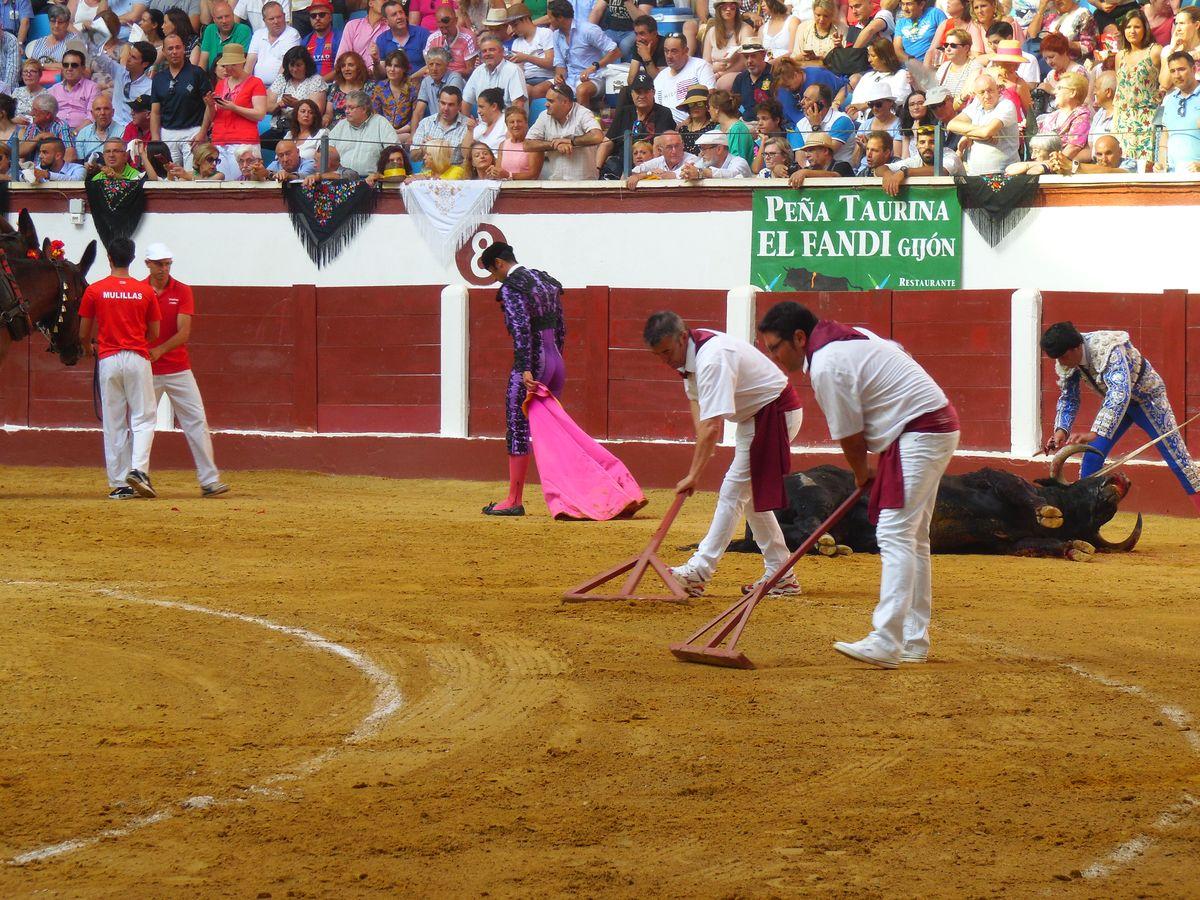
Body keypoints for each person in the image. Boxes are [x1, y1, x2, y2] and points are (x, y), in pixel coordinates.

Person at [757, 301, 959, 668]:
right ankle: (912, 641)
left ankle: (886, 640)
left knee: (896, 533)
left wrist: (860, 471)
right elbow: (899, 355)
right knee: (912, 537)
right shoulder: (853, 337)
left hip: (919, 432)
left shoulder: (827, 365)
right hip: (929, 426)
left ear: (799, 338)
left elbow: (851, 436)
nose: (774, 357)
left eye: (775, 347)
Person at [642, 310, 803, 598]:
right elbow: (698, 406)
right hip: (754, 417)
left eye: (667, 352)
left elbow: (712, 425)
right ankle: (782, 574)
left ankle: (700, 571)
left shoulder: (712, 357)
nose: (666, 361)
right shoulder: (688, 354)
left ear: (682, 337)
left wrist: (694, 474)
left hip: (774, 415)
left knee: (732, 492)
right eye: (659, 356)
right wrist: (702, 447)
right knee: (749, 498)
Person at [1041, 322, 1200, 513]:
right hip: (1118, 408)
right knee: (1091, 457)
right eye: (1057, 358)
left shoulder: (1108, 348)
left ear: (1076, 348)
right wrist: (1061, 431)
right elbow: (1069, 397)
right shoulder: (1068, 357)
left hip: (1148, 401)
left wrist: (1095, 433)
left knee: (1180, 461)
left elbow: (1120, 394)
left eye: (1063, 356)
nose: (1061, 362)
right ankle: (1084, 522)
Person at [479, 240, 565, 517]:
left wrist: (526, 367)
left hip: (533, 362)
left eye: (493, 272)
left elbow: (521, 329)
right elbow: (561, 325)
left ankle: (514, 499)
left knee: (518, 425)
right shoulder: (544, 280)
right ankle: (568, 494)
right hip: (555, 361)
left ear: (500, 264)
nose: (495, 278)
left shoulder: (513, 288)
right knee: (551, 429)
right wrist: (556, 359)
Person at [140, 243, 229, 498]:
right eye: (159, 264)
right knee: (141, 422)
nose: (164, 269)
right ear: (148, 264)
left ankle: (209, 480)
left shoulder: (182, 291)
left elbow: (184, 332)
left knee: (196, 420)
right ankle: (136, 476)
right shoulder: (140, 291)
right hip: (148, 368)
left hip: (178, 367)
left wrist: (159, 350)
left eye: (167, 264)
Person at [78, 236, 162, 500]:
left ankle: (120, 483)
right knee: (143, 418)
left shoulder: (95, 290)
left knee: (114, 421)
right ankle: (138, 471)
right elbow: (155, 332)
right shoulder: (145, 291)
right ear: (133, 259)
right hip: (137, 358)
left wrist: (89, 346)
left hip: (109, 359)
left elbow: (83, 332)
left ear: (109, 258)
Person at [204, 43, 267, 178]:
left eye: (233, 64)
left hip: (243, 141)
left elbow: (260, 114)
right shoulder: (221, 83)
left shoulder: (255, 83)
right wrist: (210, 105)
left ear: (242, 63)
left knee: (243, 182)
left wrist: (234, 108)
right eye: (227, 65)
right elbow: (213, 116)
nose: (229, 68)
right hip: (220, 139)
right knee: (223, 183)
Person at [596, 69, 674, 176]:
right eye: (638, 92)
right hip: (621, 166)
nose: (642, 96)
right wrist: (596, 170)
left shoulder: (663, 112)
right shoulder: (624, 112)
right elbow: (607, 143)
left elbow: (657, 146)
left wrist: (645, 173)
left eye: (646, 91)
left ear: (653, 92)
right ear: (632, 94)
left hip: (650, 168)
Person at [149, 33, 210, 168]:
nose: (174, 52)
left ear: (184, 49)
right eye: (170, 49)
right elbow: (155, 112)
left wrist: (202, 132)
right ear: (164, 52)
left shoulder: (197, 73)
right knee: (171, 178)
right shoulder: (158, 78)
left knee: (191, 177)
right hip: (167, 133)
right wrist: (155, 139)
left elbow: (209, 106)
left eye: (178, 47)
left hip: (193, 132)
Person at [1112, 8, 1163, 165]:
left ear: (1145, 29)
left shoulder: (1155, 51)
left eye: (1137, 27)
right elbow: (1120, 86)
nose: (1132, 31)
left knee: (1145, 165)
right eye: (1128, 27)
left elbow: (1165, 82)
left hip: (1147, 118)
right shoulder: (1120, 55)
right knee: (1123, 165)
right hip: (1123, 118)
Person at [524, 80, 602, 179]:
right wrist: (555, 145)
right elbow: (527, 144)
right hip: (556, 184)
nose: (546, 104)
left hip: (584, 184)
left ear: (565, 102)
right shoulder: (544, 116)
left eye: (551, 101)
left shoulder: (583, 113)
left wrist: (571, 142)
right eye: (546, 100)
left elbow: (597, 136)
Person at [548, 0, 619, 108]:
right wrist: (559, 76)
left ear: (560, 18)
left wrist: (594, 67)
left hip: (595, 77)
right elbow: (560, 64)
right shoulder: (556, 35)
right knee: (542, 89)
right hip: (570, 78)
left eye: (550, 17)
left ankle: (583, 123)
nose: (549, 21)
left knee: (581, 90)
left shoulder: (588, 30)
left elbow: (616, 52)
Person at [947, 72, 1019, 173]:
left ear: (998, 89)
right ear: (976, 95)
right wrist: (978, 134)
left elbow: (986, 132)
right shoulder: (976, 104)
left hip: (1004, 173)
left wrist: (968, 135)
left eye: (990, 90)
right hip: (974, 174)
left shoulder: (1006, 105)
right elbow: (951, 125)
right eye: (982, 92)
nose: (987, 96)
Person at [328, 87, 396, 174]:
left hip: (371, 182)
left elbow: (394, 151)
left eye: (351, 108)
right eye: (346, 108)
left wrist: (380, 174)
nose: (346, 111)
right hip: (341, 180)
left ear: (364, 109)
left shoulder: (380, 123)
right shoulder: (341, 125)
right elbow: (326, 151)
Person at [654, 33, 715, 124]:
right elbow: (657, 108)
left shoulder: (700, 66)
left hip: (696, 124)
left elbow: (710, 96)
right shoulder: (660, 78)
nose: (669, 56)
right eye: (666, 51)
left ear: (686, 50)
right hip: (667, 127)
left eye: (674, 51)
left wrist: (687, 123)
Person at [794, 81, 856, 165]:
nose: (802, 102)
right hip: (810, 174)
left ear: (821, 104)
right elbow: (800, 159)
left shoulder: (842, 120)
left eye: (807, 99)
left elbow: (826, 154)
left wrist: (815, 127)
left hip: (839, 173)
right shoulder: (800, 124)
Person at [462, 32, 527, 109]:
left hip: (507, 119)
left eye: (492, 50)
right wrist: (465, 120)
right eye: (484, 51)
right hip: (483, 121)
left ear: (502, 51)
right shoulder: (478, 72)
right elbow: (466, 101)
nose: (487, 53)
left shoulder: (513, 70)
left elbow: (518, 104)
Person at [1160, 50, 1200, 172]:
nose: (1177, 75)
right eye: (1172, 71)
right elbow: (1165, 135)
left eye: (1181, 69)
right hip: (1173, 176)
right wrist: (1161, 164)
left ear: (1194, 69)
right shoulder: (1169, 100)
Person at [411, 81, 469, 164]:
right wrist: (424, 148)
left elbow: (468, 158)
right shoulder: (426, 123)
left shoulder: (467, 126)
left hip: (454, 173)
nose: (445, 108)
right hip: (429, 172)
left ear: (459, 106)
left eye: (451, 105)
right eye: (443, 103)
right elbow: (413, 157)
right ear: (438, 102)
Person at [246, 1, 301, 83]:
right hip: (257, 86)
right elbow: (249, 64)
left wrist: (273, 90)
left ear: (284, 16)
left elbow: (285, 66)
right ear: (264, 21)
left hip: (282, 86)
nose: (276, 21)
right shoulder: (258, 34)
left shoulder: (292, 34)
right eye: (271, 19)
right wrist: (246, 86)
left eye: (279, 17)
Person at [508, 3, 555, 99]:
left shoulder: (545, 33)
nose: (513, 29)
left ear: (525, 19)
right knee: (518, 92)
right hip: (527, 79)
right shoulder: (516, 42)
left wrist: (526, 58)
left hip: (547, 77)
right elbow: (519, 71)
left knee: (534, 91)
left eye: (515, 25)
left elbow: (550, 63)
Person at [373, 48, 419, 143]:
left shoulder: (412, 89)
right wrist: (386, 131)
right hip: (383, 132)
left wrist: (397, 131)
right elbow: (375, 115)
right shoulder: (380, 87)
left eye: (396, 66)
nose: (392, 69)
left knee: (406, 137)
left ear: (404, 69)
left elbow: (415, 117)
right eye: (389, 65)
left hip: (404, 133)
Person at [625, 127, 698, 185]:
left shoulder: (692, 159)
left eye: (677, 146)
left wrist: (651, 174)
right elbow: (633, 172)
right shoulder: (659, 160)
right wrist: (646, 174)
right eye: (669, 147)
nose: (674, 151)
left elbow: (672, 175)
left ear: (683, 145)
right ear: (661, 150)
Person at [373, 0, 430, 74]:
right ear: (386, 21)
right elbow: (382, 75)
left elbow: (431, 64)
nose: (399, 16)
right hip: (393, 83)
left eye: (401, 12)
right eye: (394, 15)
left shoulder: (422, 34)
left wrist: (412, 78)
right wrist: (376, 62)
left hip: (420, 82)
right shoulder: (381, 39)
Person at [705, 0, 751, 90]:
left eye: (732, 7)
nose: (728, 9)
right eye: (724, 7)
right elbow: (705, 62)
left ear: (737, 9)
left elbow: (744, 61)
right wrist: (713, 68)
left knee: (722, 83)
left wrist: (721, 74)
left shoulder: (745, 29)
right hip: (713, 72)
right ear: (718, 9)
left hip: (737, 72)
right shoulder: (711, 31)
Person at [424, 2, 478, 76]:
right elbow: (429, 66)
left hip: (460, 78)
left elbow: (470, 70)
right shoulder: (433, 39)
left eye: (448, 27)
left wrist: (446, 74)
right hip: (437, 77)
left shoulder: (468, 37)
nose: (445, 31)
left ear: (456, 21)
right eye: (441, 28)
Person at [492, 103, 543, 178]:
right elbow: (499, 172)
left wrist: (509, 175)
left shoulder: (534, 144)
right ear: (507, 125)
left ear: (526, 123)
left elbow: (534, 174)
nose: (515, 125)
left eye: (519, 121)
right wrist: (494, 172)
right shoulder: (502, 145)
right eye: (512, 122)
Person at [325, 50, 377, 125]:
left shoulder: (370, 86)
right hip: (337, 130)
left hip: (362, 129)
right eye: (343, 66)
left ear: (359, 68)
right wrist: (326, 118)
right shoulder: (335, 87)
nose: (346, 69)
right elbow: (328, 113)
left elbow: (373, 113)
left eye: (351, 65)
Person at [413, 46, 464, 121]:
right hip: (434, 123)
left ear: (446, 65)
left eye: (438, 64)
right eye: (431, 64)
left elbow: (451, 110)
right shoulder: (426, 81)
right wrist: (414, 133)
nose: (434, 69)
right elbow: (418, 112)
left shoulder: (455, 78)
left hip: (452, 122)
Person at [19, 93, 76, 161]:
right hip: (31, 169)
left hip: (51, 170)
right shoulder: (32, 126)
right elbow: (19, 152)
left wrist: (56, 170)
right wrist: (39, 137)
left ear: (48, 115)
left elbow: (70, 154)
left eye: (35, 110)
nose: (31, 113)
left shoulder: (61, 126)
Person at [199, 0, 253, 70]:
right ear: (214, 20)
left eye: (227, 16)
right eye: (220, 18)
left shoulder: (243, 30)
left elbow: (239, 64)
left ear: (233, 16)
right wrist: (198, 78)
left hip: (233, 77)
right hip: (211, 77)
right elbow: (203, 61)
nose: (224, 21)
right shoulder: (210, 29)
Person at [679, 126, 751, 177]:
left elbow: (732, 174)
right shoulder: (704, 162)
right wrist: (686, 171)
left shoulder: (739, 162)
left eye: (704, 149)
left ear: (719, 149)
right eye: (701, 149)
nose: (701, 153)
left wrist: (700, 173)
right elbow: (680, 173)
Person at [1048, 131, 1136, 172]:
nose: (1104, 159)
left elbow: (1109, 172)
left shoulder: (1132, 164)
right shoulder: (1094, 167)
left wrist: (1071, 165)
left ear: (1120, 152)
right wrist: (1059, 167)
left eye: (1109, 153)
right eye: (1099, 154)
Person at [788, 130, 853, 184]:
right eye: (806, 151)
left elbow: (834, 176)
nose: (807, 155)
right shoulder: (808, 169)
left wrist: (806, 172)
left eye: (811, 150)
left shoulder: (843, 166)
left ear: (825, 151)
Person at [729, 40, 771, 121]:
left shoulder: (774, 74)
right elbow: (734, 106)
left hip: (768, 125)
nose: (749, 61)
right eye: (746, 57)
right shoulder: (740, 78)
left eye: (753, 56)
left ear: (763, 55)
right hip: (743, 124)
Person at [793, 0, 844, 64]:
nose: (821, 19)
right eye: (818, 15)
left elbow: (845, 61)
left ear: (832, 15)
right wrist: (803, 56)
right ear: (813, 13)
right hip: (805, 69)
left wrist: (839, 47)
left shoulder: (841, 30)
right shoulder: (803, 28)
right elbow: (794, 58)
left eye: (826, 16)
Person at [302, 0, 340, 80]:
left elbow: (341, 67)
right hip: (309, 87)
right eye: (313, 16)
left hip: (333, 85)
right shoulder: (306, 41)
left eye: (322, 15)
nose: (317, 18)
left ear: (330, 17)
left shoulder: (339, 37)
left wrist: (320, 82)